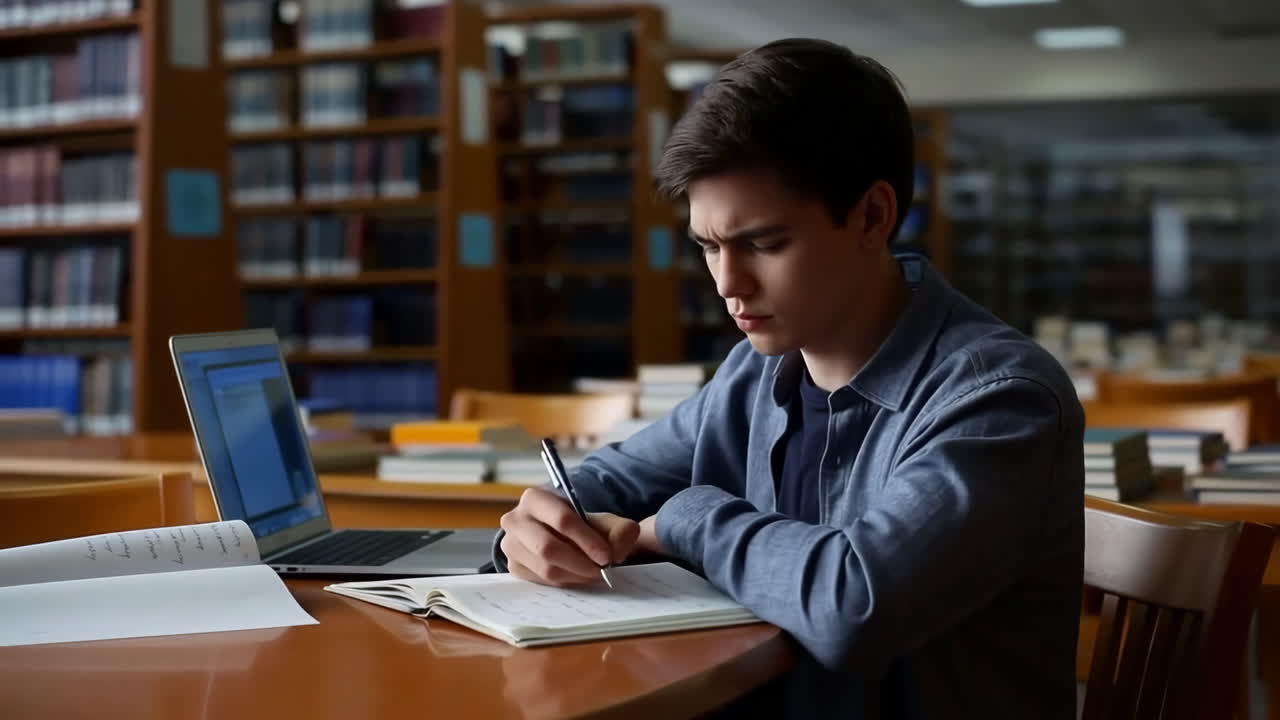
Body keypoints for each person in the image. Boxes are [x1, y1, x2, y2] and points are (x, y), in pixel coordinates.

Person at [493, 38, 1084, 719]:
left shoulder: (1000, 396)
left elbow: (857, 603)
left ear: (872, 215)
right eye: (709, 247)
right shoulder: (760, 364)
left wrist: (686, 519)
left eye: (764, 245)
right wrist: (533, 527)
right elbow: (609, 483)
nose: (727, 284)